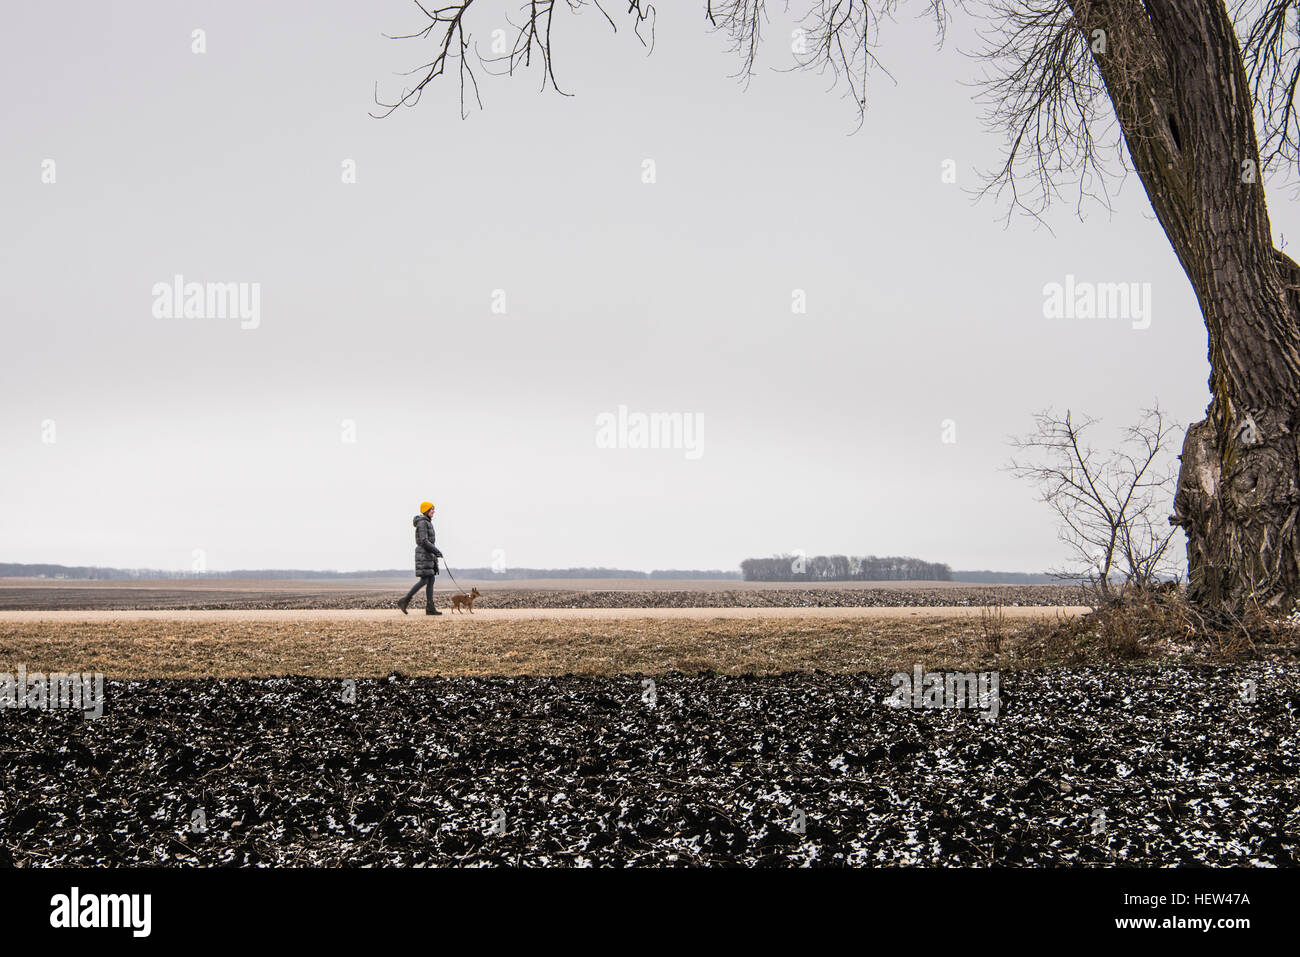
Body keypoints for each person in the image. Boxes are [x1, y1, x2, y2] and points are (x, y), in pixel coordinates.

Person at [398, 501, 443, 615]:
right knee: (425, 580)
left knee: (430, 579)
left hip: (428, 555)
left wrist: (435, 552)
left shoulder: (427, 522)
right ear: (426, 510)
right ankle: (405, 600)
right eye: (432, 509)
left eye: (433, 509)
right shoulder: (423, 523)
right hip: (424, 555)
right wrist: (436, 550)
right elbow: (423, 540)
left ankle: (430, 608)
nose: (434, 511)